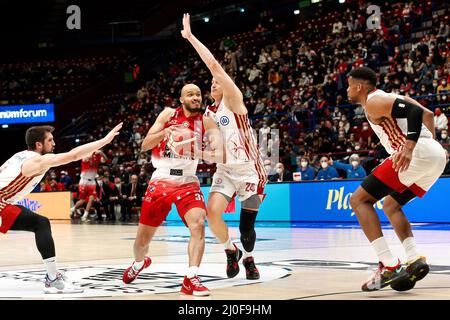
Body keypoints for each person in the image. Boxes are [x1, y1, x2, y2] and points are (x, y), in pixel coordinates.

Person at [182, 13, 267, 280]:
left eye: (217, 80)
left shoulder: (235, 101)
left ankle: (250, 259)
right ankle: (231, 252)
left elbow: (215, 67)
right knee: (213, 214)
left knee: (246, 228)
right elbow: (213, 146)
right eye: (211, 83)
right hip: (225, 170)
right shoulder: (208, 113)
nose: (213, 82)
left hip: (250, 170)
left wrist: (191, 37)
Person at [347, 67, 446, 292]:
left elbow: (412, 112)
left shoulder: (374, 101)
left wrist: (411, 147)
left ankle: (389, 264)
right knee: (391, 205)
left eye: (349, 85)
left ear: (359, 87)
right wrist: (428, 145)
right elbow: (427, 114)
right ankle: (413, 257)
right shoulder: (390, 98)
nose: (347, 90)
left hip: (415, 153)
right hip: (436, 156)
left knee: (359, 201)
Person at [0, 123, 122, 293]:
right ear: (39, 145)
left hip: (4, 202)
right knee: (40, 224)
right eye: (50, 140)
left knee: (40, 223)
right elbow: (74, 155)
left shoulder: (18, 156)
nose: (54, 144)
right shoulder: (39, 160)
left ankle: (52, 275)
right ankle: (52, 278)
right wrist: (105, 140)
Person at [122, 83, 219, 296]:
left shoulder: (206, 121)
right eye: (190, 94)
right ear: (182, 99)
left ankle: (191, 277)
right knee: (141, 241)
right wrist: (166, 132)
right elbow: (145, 144)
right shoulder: (167, 114)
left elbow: (219, 156)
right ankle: (139, 264)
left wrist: (198, 151)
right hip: (162, 179)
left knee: (198, 224)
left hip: (188, 181)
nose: (195, 97)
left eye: (198, 94)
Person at [70, 150, 106, 221]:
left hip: (92, 181)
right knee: (83, 200)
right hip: (84, 181)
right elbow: (86, 158)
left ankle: (85, 216)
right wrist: (92, 152)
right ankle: (72, 209)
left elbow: (105, 160)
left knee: (92, 199)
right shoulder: (85, 156)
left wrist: (102, 153)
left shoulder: (97, 156)